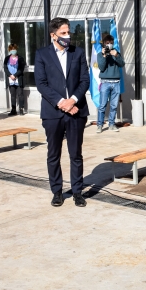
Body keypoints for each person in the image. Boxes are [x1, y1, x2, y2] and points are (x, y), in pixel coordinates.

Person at [35, 17, 90, 207]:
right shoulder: (42, 54)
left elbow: (85, 80)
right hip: (53, 113)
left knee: (75, 154)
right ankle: (57, 191)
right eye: (63, 33)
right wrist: (62, 103)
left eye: (69, 32)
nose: (68, 36)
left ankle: (77, 192)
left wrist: (73, 100)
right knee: (53, 154)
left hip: (76, 111)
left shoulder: (78, 53)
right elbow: (41, 84)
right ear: (53, 35)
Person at [96, 34, 125, 133]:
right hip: (105, 82)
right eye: (107, 43)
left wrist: (116, 55)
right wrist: (104, 56)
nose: (109, 45)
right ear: (104, 44)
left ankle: (112, 124)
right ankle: (99, 125)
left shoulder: (116, 52)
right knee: (102, 105)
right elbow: (102, 68)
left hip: (116, 82)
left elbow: (122, 64)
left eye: (111, 43)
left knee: (114, 105)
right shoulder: (100, 54)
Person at [4, 43, 26, 116]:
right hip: (10, 79)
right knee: (12, 95)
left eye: (14, 49)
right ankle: (13, 110)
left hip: (18, 78)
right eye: (12, 49)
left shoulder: (20, 58)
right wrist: (10, 75)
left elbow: (21, 68)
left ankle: (21, 109)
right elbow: (5, 68)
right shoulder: (7, 58)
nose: (13, 50)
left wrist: (15, 75)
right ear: (9, 50)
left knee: (20, 94)